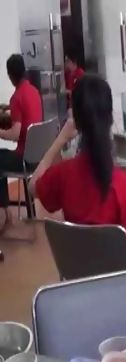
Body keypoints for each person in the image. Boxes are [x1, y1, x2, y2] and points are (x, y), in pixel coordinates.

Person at [29, 75, 126, 265]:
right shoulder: (121, 184)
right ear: (110, 117)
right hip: (123, 281)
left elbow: (32, 187)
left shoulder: (64, 174)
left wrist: (60, 139)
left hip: (81, 278)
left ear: (75, 121)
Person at [0, 54, 42, 230]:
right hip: (36, 157)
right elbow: (27, 116)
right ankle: (22, 213)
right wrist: (9, 108)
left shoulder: (17, 97)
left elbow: (15, 134)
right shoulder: (33, 91)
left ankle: (5, 213)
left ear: (10, 75)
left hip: (23, 159)